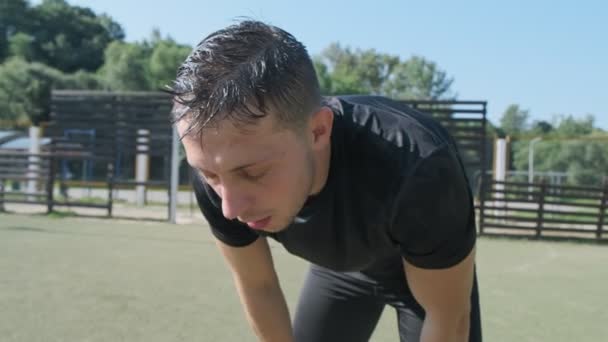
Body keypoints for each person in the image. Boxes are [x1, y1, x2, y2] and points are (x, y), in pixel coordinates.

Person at [169, 20, 482, 342]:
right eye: (210, 175)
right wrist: (223, 177)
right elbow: (257, 285)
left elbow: (447, 318)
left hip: (421, 273)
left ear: (318, 130)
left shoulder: (420, 168)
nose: (230, 208)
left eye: (254, 172)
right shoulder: (220, 170)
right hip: (339, 271)